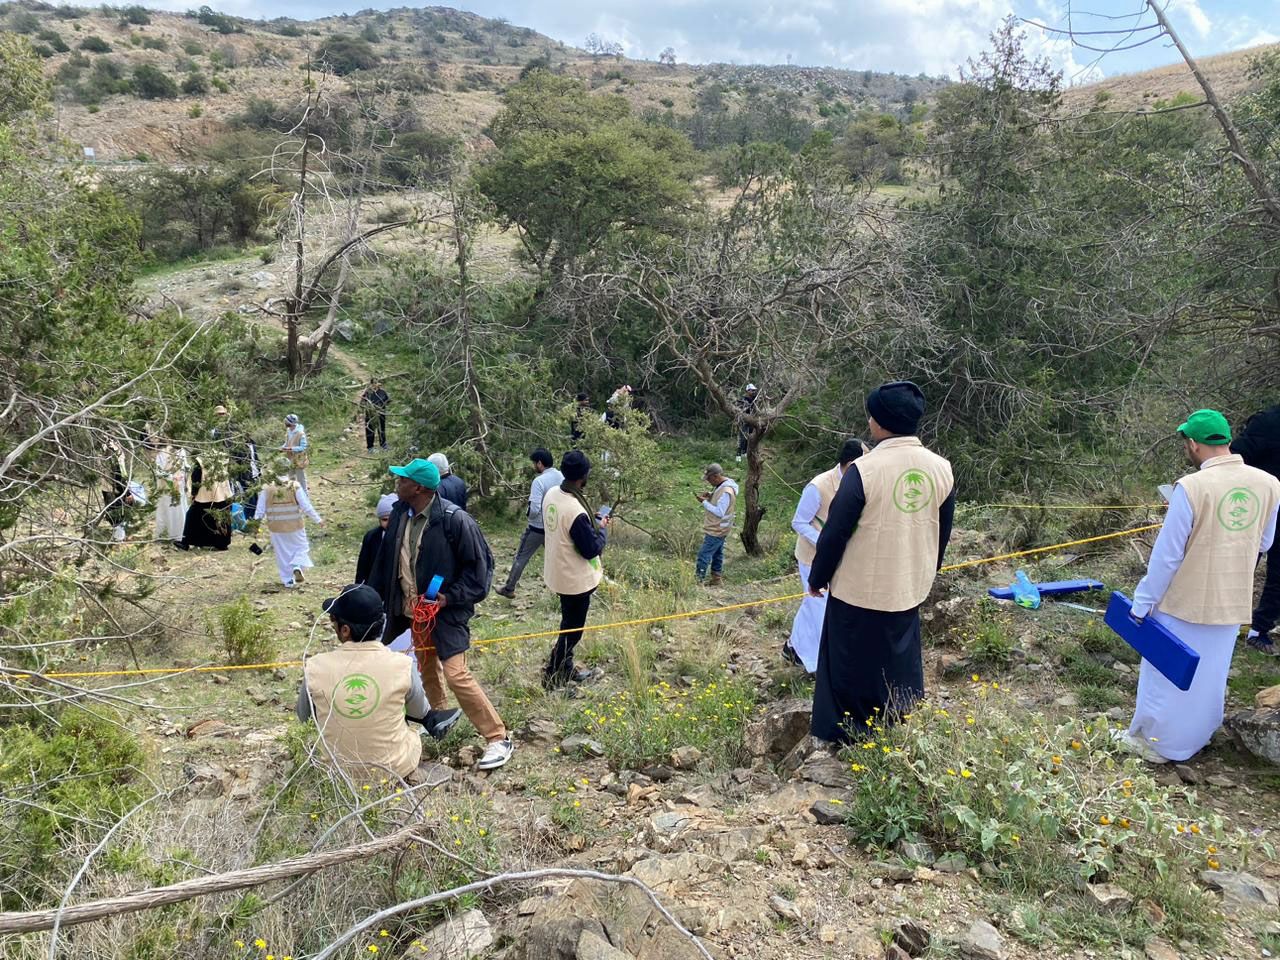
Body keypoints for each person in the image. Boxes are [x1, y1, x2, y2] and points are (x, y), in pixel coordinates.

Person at [1119, 409, 1280, 764]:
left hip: (1184, 601)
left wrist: (1142, 602)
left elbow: (1167, 557)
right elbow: (1265, 542)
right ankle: (1199, 737)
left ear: (1193, 444)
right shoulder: (1270, 484)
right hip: (1232, 599)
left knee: (1165, 674)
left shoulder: (1191, 487)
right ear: (1227, 440)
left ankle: (1159, 745)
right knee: (1210, 674)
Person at [808, 381, 956, 744]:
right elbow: (942, 531)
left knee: (850, 662)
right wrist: (927, 571)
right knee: (897, 658)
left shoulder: (864, 470)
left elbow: (834, 533)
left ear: (881, 422)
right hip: (908, 585)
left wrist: (818, 576)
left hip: (860, 588)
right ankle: (894, 719)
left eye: (871, 415)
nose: (869, 421)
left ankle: (848, 733)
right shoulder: (942, 468)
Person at [366, 458, 512, 771]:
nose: (397, 483)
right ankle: (440, 718)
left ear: (418, 488)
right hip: (412, 613)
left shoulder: (455, 521)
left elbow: (480, 573)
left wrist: (449, 598)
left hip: (446, 614)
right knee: (426, 667)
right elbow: (385, 566)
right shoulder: (400, 515)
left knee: (456, 674)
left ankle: (497, 737)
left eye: (403, 480)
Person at [298, 584, 430, 779]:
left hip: (333, 773)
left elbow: (305, 718)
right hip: (393, 769)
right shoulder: (402, 664)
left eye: (333, 620)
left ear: (345, 630)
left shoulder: (315, 666)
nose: (332, 624)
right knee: (410, 734)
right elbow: (420, 711)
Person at [785, 439, 868, 672]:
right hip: (812, 557)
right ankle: (814, 663)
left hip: (841, 557)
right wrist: (824, 541)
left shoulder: (860, 484)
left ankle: (792, 646)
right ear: (850, 464)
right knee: (818, 605)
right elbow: (799, 522)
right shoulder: (818, 486)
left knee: (815, 603)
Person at [541, 450, 608, 689]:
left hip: (558, 572)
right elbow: (591, 549)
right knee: (573, 629)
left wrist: (590, 524)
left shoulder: (552, 494)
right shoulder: (575, 510)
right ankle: (555, 672)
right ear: (584, 476)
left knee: (568, 622)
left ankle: (562, 666)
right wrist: (601, 529)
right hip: (575, 580)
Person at [1230, 403, 1280, 655]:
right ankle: (1223, 621)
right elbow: (1234, 457)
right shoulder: (1268, 422)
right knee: (1241, 564)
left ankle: (1259, 629)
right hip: (1255, 507)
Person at [495, 448, 564, 599]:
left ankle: (509, 588)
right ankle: (564, 590)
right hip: (555, 526)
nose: (533, 466)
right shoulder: (561, 477)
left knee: (521, 557)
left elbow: (534, 509)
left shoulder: (539, 481)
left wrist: (529, 514)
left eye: (534, 463)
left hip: (537, 528)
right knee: (558, 558)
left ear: (539, 463)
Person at [254, 457, 324, 588]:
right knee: (302, 548)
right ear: (288, 469)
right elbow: (306, 506)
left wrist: (254, 526)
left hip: (276, 528)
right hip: (295, 525)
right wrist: (318, 519)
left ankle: (288, 580)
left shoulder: (267, 488)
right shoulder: (294, 486)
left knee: (282, 554)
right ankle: (297, 566)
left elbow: (260, 510)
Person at [177, 447, 233, 551]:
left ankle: (185, 543)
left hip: (204, 495)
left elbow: (196, 480)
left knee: (192, 517)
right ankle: (222, 544)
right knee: (220, 519)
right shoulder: (224, 458)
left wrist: (193, 494)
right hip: (222, 493)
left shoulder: (201, 461)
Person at [695, 464, 739, 586]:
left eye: (709, 479)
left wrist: (704, 502)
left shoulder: (726, 491)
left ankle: (698, 581)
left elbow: (720, 512)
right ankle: (716, 579)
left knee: (703, 555)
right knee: (717, 553)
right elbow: (720, 500)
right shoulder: (724, 485)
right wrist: (711, 495)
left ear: (716, 476)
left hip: (716, 529)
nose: (708, 481)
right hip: (722, 528)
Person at [356, 493, 398, 585]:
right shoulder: (371, 536)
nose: (389, 523)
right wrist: (360, 587)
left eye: (392, 519)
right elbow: (363, 566)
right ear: (379, 520)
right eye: (385, 519)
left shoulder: (404, 536)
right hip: (374, 583)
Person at [152, 442, 190, 543]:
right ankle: (164, 535)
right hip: (166, 487)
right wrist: (171, 477)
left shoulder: (181, 450)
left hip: (179, 485)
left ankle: (180, 535)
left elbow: (185, 466)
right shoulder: (161, 452)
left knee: (179, 509)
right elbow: (158, 471)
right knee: (165, 509)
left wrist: (183, 477)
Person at [281, 414, 310, 494]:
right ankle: (293, 496)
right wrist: (283, 447)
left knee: (301, 479)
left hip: (299, 459)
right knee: (291, 478)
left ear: (291, 422)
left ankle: (305, 496)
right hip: (290, 458)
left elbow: (303, 447)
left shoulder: (300, 433)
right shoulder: (288, 431)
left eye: (286, 421)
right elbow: (287, 442)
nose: (285, 422)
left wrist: (290, 448)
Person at [360, 379, 390, 452]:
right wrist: (368, 406)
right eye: (373, 383)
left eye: (376, 383)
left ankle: (383, 445)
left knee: (381, 429)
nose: (375, 384)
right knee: (370, 430)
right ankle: (370, 447)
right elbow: (362, 402)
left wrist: (382, 406)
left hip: (381, 413)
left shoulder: (382, 392)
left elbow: (388, 401)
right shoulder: (368, 392)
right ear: (371, 384)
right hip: (370, 414)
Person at [736, 384, 759, 463]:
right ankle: (738, 455)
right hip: (744, 420)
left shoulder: (754, 399)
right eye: (752, 390)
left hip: (752, 420)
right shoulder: (743, 399)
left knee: (750, 437)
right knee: (742, 438)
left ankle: (746, 452)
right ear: (748, 391)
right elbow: (740, 410)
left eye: (754, 390)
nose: (753, 392)